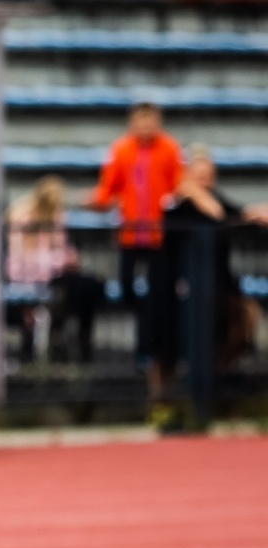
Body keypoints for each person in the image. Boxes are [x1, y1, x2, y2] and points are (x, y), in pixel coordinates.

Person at [84, 102, 185, 420]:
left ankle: (150, 341)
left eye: (150, 122)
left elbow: (176, 185)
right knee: (127, 288)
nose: (144, 128)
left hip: (158, 237)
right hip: (130, 235)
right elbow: (108, 186)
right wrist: (97, 201)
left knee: (158, 296)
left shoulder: (168, 149)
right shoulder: (121, 150)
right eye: (140, 122)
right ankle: (145, 329)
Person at [162, 147, 268, 383]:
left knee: (245, 320)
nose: (204, 180)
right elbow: (217, 214)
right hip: (189, 287)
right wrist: (192, 193)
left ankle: (218, 374)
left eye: (207, 174)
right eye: (198, 175)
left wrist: (255, 212)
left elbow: (234, 212)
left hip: (220, 284)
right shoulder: (180, 206)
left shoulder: (214, 196)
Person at [6, 176, 103, 363]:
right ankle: (64, 343)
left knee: (90, 286)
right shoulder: (23, 219)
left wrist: (67, 259)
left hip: (55, 278)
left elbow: (63, 251)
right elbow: (22, 262)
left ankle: (79, 341)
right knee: (75, 288)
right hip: (28, 278)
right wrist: (59, 260)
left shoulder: (56, 218)